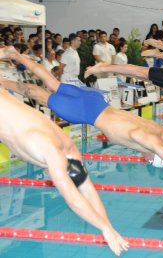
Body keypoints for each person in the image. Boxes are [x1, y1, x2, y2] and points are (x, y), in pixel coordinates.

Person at [0, 46, 163, 191]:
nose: (145, 158)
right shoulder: (148, 141)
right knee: (38, 93)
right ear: (153, 156)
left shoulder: (159, 130)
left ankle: (14, 54)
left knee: (50, 82)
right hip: (87, 114)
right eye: (149, 160)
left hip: (96, 102)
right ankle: (3, 82)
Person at [0, 78, 128, 256]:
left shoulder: (70, 149)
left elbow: (88, 190)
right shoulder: (52, 154)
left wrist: (107, 227)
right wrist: (105, 229)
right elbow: (73, 198)